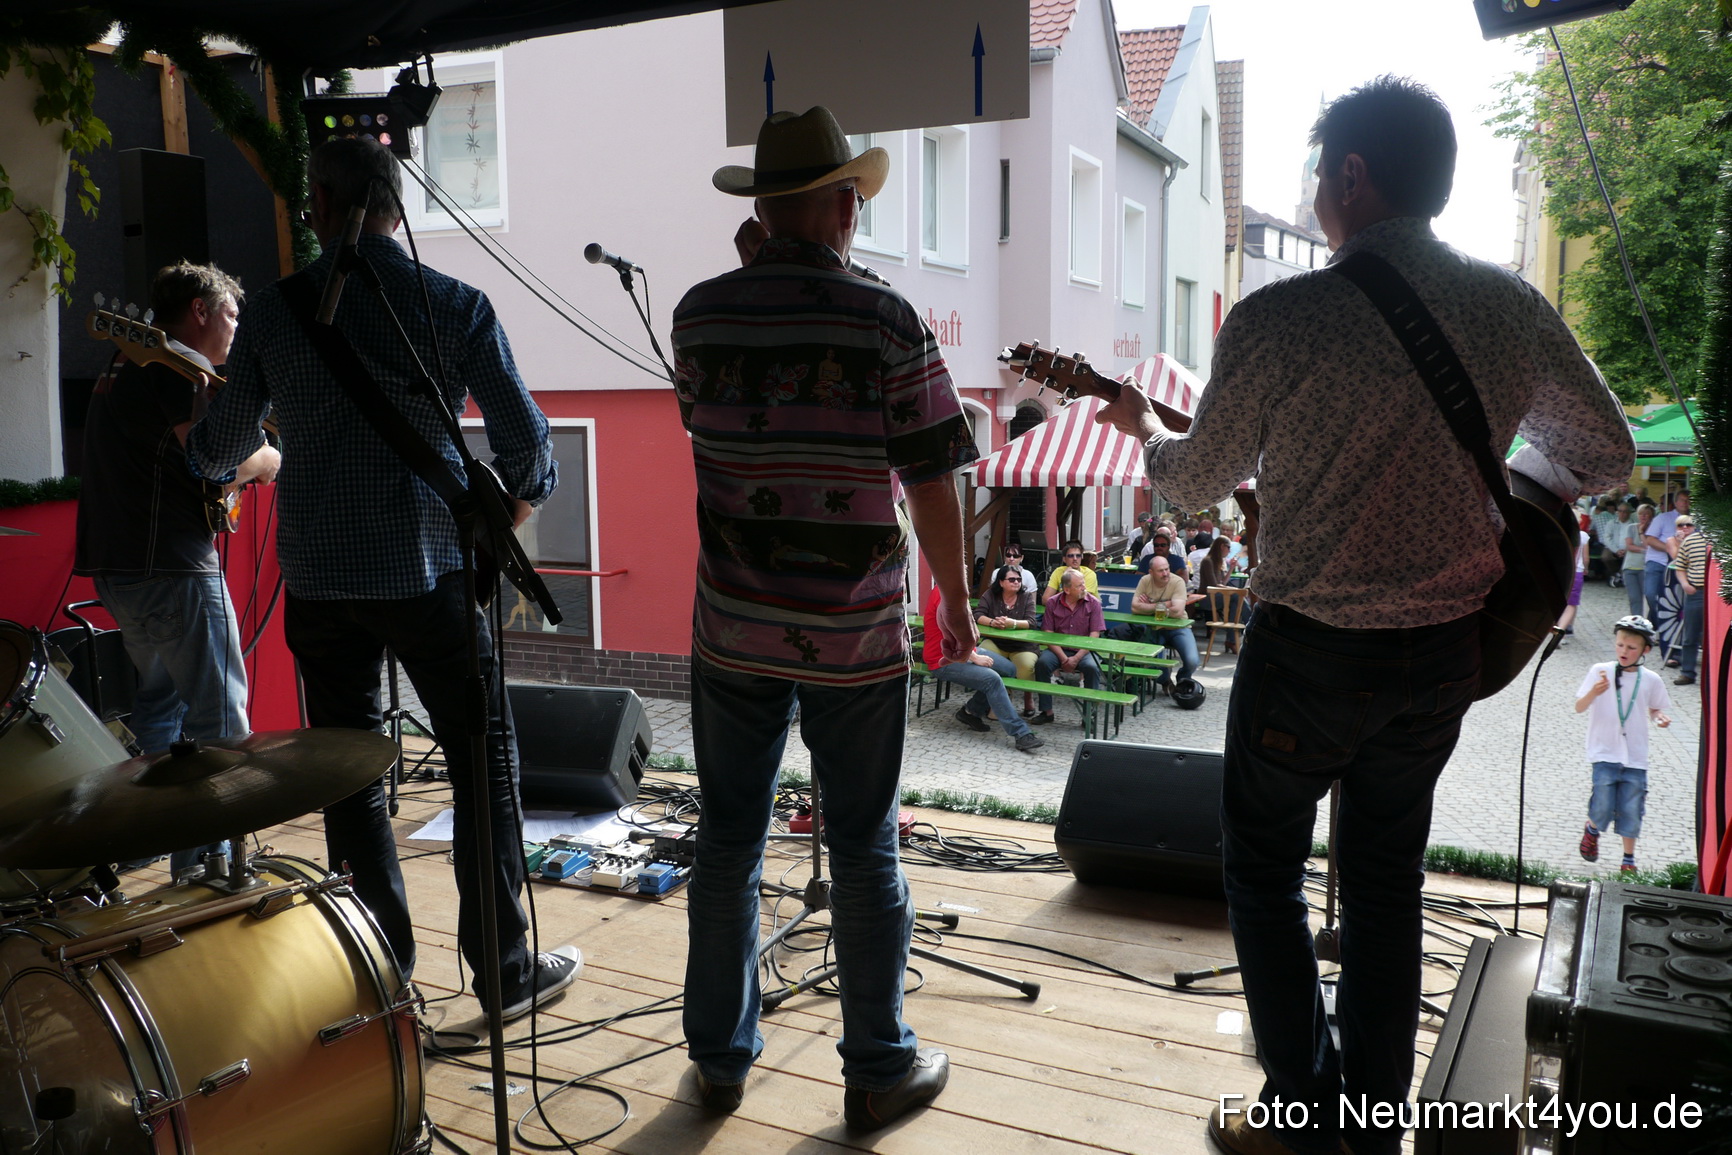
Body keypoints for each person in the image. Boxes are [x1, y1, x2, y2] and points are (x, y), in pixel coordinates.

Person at [1097, 77, 1632, 1155]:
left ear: (1351, 175)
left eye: (1316, 174)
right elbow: (1607, 453)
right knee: (1386, 883)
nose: (1312, 193)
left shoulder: (1280, 316)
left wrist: (1140, 430)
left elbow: (1193, 484)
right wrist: (1505, 480)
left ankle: (1304, 1112)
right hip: (1439, 657)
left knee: (1263, 872)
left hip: (1306, 656)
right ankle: (1372, 1124)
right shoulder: (1508, 306)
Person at [186, 137, 578, 1021]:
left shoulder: (274, 314)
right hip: (429, 575)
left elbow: (213, 455)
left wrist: (213, 410)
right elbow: (529, 451)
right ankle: (504, 971)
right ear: (398, 207)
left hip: (322, 582)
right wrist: (509, 509)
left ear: (322, 206)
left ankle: (382, 978)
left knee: (350, 773)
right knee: (484, 759)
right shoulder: (454, 304)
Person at [671, 106, 972, 1128]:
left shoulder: (698, 314)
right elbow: (930, 478)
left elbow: (711, 422)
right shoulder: (885, 318)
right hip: (854, 635)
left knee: (727, 839)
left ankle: (719, 1060)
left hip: (734, 624)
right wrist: (955, 603)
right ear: (844, 206)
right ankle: (877, 1069)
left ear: (762, 209)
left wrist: (754, 282)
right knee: (863, 844)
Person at [75, 261, 281, 876]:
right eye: (232, 315)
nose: (237, 329)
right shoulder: (170, 367)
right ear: (200, 311)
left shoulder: (124, 363)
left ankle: (161, 840)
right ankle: (207, 865)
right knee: (220, 718)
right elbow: (211, 460)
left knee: (161, 708)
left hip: (121, 567)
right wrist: (266, 460)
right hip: (173, 566)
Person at [1576, 615, 1672, 873]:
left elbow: (1656, 708)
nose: (1624, 651)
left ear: (1645, 650)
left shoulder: (1651, 679)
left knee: (1632, 808)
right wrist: (1594, 692)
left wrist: (1659, 718)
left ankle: (1628, 859)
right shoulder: (1600, 670)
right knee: (1603, 804)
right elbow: (1579, 706)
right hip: (1604, 751)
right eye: (1620, 645)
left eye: (1631, 647)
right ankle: (1592, 828)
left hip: (1635, 756)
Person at [924, 583, 1043, 752]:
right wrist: (974, 657)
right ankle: (1021, 734)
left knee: (1009, 669)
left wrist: (973, 650)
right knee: (992, 679)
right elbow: (950, 631)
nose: (964, 573)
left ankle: (971, 711)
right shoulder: (944, 594)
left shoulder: (954, 590)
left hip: (964, 652)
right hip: (943, 660)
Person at [1031, 567, 1103, 725]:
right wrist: (1063, 658)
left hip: (1084, 651)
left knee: (1092, 668)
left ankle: (1089, 715)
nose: (1084, 587)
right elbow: (1048, 633)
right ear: (1067, 589)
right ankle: (1046, 711)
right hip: (1058, 649)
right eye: (1079, 585)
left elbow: (1095, 635)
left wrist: (1076, 658)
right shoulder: (1052, 602)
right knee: (1042, 663)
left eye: (1083, 583)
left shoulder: (1094, 603)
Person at [1131, 555, 1203, 682]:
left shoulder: (1178, 582)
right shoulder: (1145, 580)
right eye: (1160, 571)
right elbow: (1135, 608)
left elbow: (1177, 611)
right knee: (1144, 658)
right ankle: (1166, 681)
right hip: (1154, 628)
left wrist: (1149, 606)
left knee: (1192, 661)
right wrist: (1167, 604)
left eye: (1167, 569)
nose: (1165, 573)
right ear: (1151, 572)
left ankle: (1182, 680)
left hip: (1179, 627)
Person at [977, 563, 1042, 684]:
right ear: (1001, 582)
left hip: (1023, 645)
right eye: (1012, 579)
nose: (1016, 582)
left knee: (1026, 666)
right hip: (997, 642)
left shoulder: (1026, 597)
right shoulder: (990, 594)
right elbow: (978, 615)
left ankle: (1027, 694)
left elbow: (1032, 622)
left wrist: (1013, 623)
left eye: (1019, 579)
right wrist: (993, 622)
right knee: (981, 654)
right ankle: (997, 689)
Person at [1671, 514, 1708, 685]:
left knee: (1716, 636)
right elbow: (1680, 566)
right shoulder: (1690, 541)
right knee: (1690, 634)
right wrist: (1685, 584)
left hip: (1718, 595)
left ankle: (1714, 674)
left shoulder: (1724, 541)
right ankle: (1687, 672)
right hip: (1696, 592)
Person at [1643, 489, 1689, 624]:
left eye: (1688, 500)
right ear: (1676, 502)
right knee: (1651, 594)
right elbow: (1650, 539)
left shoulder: (1695, 521)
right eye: (1682, 500)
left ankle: (1660, 625)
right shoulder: (1663, 518)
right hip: (1658, 562)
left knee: (1675, 598)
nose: (1685, 503)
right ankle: (1660, 624)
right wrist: (1669, 548)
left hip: (1682, 565)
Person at [1623, 504, 1653, 614]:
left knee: (1649, 597)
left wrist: (1641, 532)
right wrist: (1644, 550)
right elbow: (1629, 546)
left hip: (1645, 567)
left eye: (1646, 514)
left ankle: (1649, 619)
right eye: (1640, 514)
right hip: (1630, 567)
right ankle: (1636, 619)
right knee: (1634, 598)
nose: (1643, 516)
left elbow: (1648, 545)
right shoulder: (1631, 527)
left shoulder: (1653, 529)